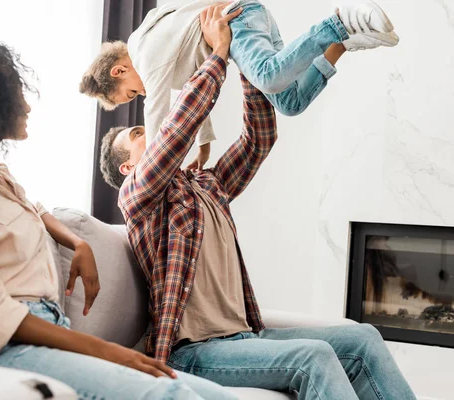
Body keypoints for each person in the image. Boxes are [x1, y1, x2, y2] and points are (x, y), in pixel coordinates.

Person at [97, 9, 416, 399]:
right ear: (128, 166)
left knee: (362, 337)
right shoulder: (137, 197)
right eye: (137, 133)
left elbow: (259, 139)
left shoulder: (206, 187)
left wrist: (246, 64)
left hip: (244, 336)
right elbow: (177, 129)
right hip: (194, 352)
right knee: (312, 357)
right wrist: (217, 53)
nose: (149, 131)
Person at [0, 38, 240, 400]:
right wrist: (105, 349)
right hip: (7, 349)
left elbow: (35, 210)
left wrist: (77, 242)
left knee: (221, 397)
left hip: (52, 329)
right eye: (17, 94)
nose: (26, 105)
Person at [81, 0, 399, 170]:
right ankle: (343, 43)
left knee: (268, 75)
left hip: (239, 19)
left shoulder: (147, 56)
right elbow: (190, 95)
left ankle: (339, 21)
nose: (142, 95)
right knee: (288, 103)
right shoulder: (153, 46)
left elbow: (158, 113)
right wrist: (205, 145)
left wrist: (152, 164)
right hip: (247, 22)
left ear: (119, 71)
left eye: (132, 92)